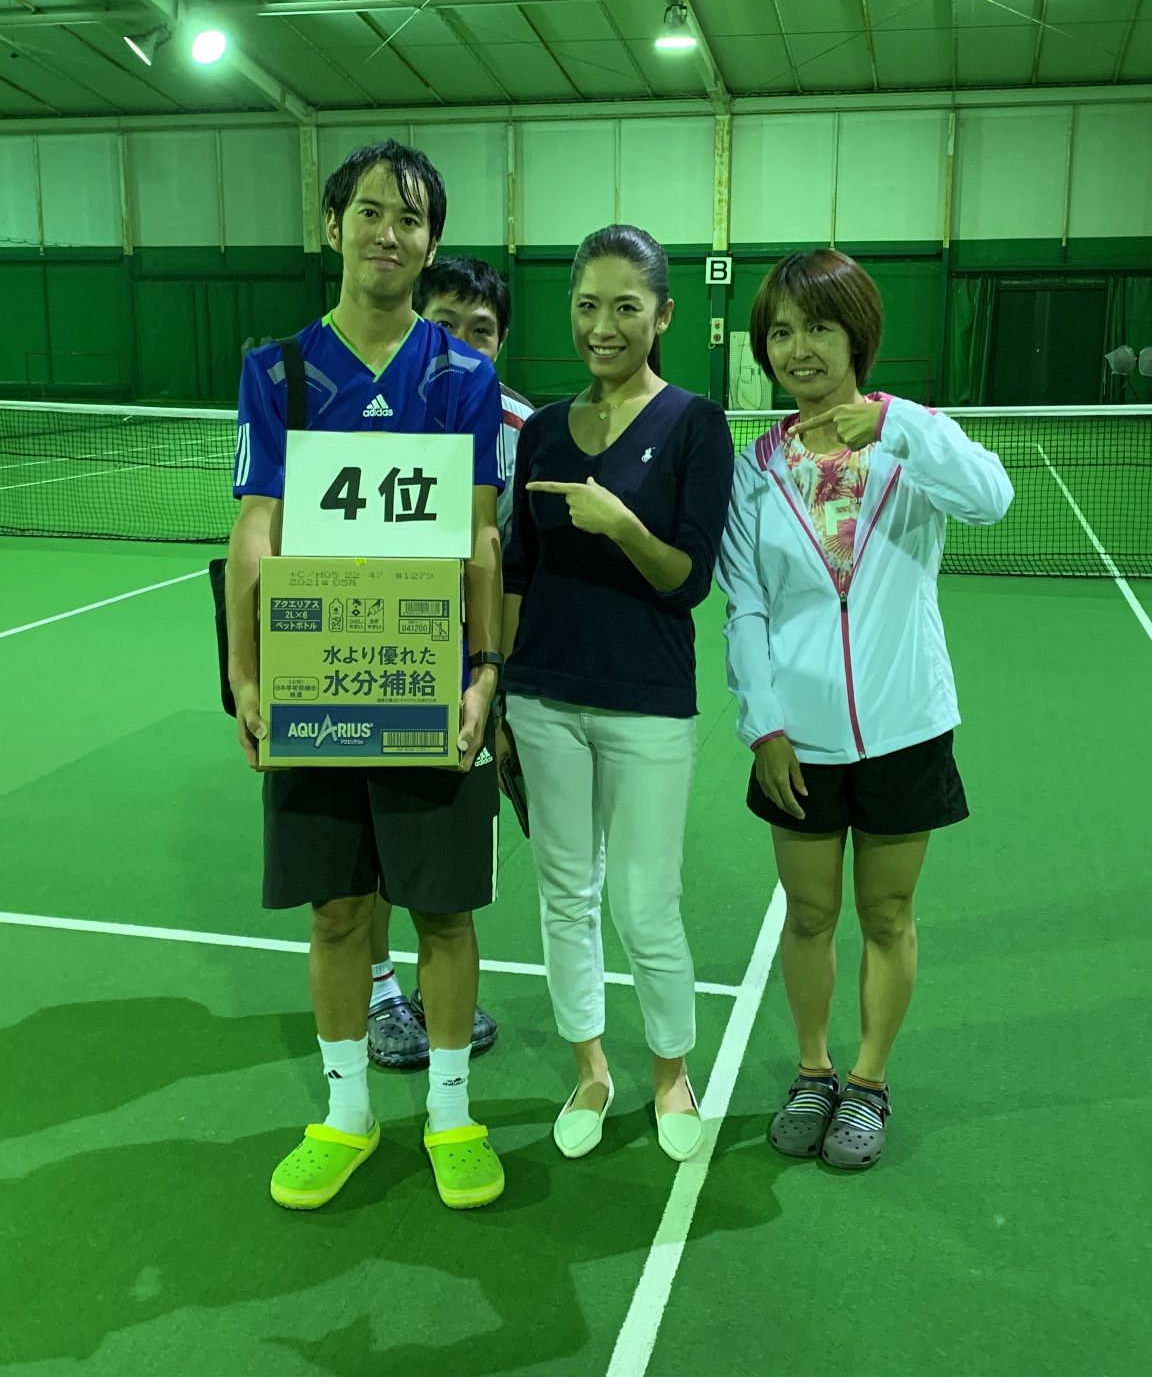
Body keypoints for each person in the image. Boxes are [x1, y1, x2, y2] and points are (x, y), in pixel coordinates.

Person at [225, 140, 508, 1212]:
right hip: (317, 680)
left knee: (443, 913)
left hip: (428, 679)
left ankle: (451, 1116)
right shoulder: (278, 372)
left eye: (413, 219)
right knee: (339, 912)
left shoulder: (462, 376)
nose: (391, 233)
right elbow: (256, 530)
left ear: (431, 244)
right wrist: (247, 675)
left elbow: (480, 539)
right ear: (333, 225)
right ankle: (346, 1115)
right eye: (373, 212)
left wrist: (482, 675)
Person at [717, 249, 1012, 1171]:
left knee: (887, 914)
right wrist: (763, 724)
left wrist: (900, 425)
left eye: (819, 327)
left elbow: (992, 500)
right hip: (797, 738)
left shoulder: (912, 442)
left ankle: (870, 1081)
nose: (798, 349)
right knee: (809, 915)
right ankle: (814, 1071)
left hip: (905, 727)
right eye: (781, 332)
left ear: (857, 337)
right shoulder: (756, 468)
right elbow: (745, 607)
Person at [499, 224, 734, 1163]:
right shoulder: (543, 430)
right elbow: (518, 570)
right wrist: (504, 695)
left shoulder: (696, 425)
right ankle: (590, 1070)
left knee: (645, 905)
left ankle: (671, 1074)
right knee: (566, 895)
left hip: (647, 702)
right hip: (542, 699)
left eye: (626, 307)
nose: (604, 326)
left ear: (663, 315)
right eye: (588, 305)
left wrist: (621, 523)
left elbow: (688, 580)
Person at [362, 254, 535, 1072]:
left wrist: (499, 690)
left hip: (469, 677)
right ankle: (377, 992)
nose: (463, 344)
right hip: (371, 656)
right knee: (366, 853)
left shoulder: (522, 432)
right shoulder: (366, 412)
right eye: (444, 325)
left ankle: (439, 997)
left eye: (482, 331)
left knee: (444, 862)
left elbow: (518, 571)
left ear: (501, 343)